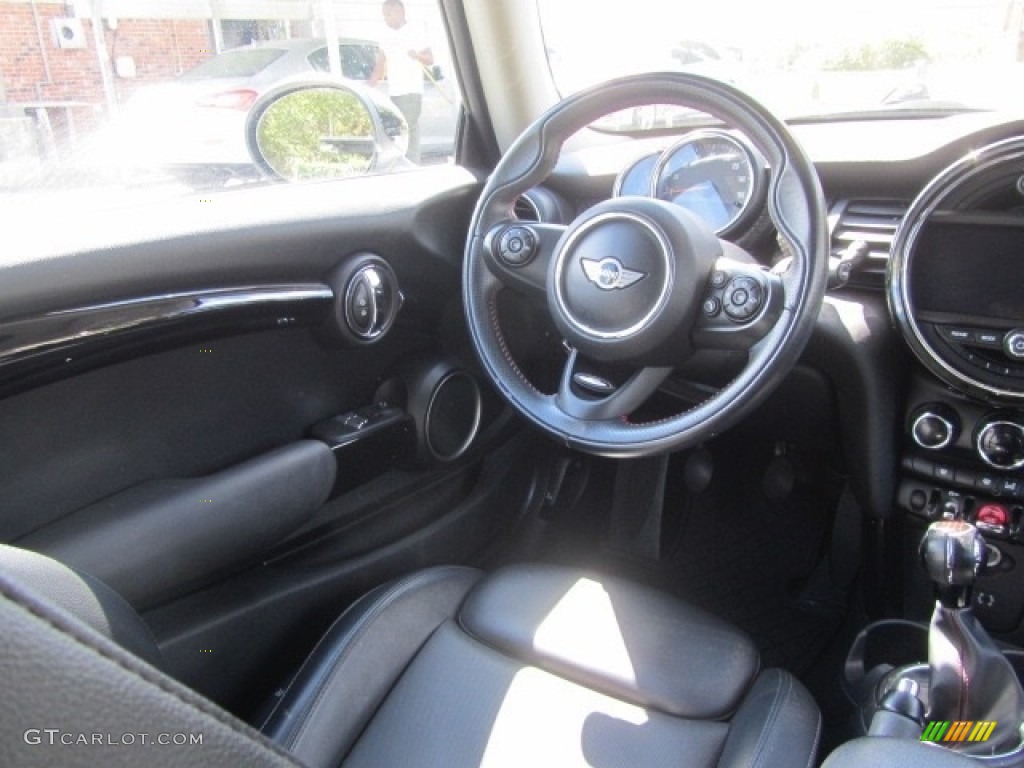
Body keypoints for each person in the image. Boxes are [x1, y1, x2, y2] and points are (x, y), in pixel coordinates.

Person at [368, 0, 433, 163]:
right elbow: (380, 66)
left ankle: (412, 164)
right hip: (395, 91)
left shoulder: (415, 32)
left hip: (411, 91)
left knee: (408, 128)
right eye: (384, 15)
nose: (386, 18)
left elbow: (430, 59)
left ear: (400, 12)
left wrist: (417, 56)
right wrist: (369, 85)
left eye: (388, 14)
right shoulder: (384, 36)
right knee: (399, 130)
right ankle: (405, 164)